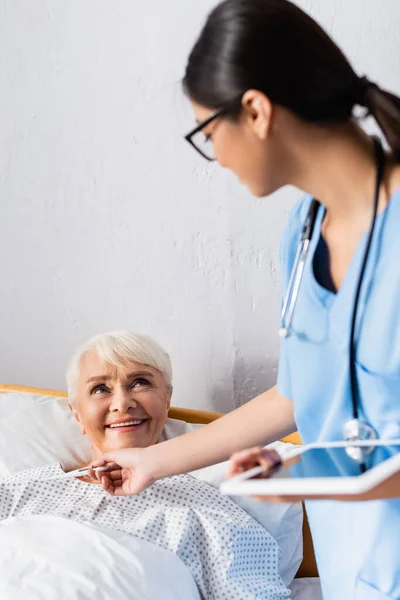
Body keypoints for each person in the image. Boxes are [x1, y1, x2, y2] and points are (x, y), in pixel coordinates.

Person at [91, 1, 400, 598]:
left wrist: (352, 480)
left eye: (209, 133)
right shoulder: (303, 231)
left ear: (255, 111)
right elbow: (297, 393)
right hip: (355, 573)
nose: (219, 158)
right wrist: (152, 462)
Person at [0, 331, 292, 600]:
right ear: (76, 415)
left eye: (140, 382)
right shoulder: (19, 492)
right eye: (100, 388)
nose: (122, 402)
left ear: (167, 401)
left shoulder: (205, 513)